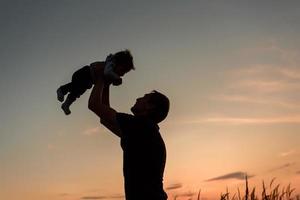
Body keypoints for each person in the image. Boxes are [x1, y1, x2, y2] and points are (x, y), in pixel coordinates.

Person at [88, 73, 170, 200]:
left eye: (144, 97)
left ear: (150, 106)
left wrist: (101, 77)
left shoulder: (140, 126)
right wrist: (106, 83)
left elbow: (94, 105)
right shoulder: (143, 131)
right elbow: (105, 118)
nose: (138, 98)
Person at [56, 49, 134, 115]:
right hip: (84, 73)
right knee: (76, 87)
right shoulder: (110, 64)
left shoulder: (110, 70)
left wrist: (113, 80)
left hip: (87, 80)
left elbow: (105, 83)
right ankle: (62, 90)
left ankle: (66, 104)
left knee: (77, 92)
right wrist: (117, 79)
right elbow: (107, 72)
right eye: (123, 70)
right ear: (118, 63)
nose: (122, 74)